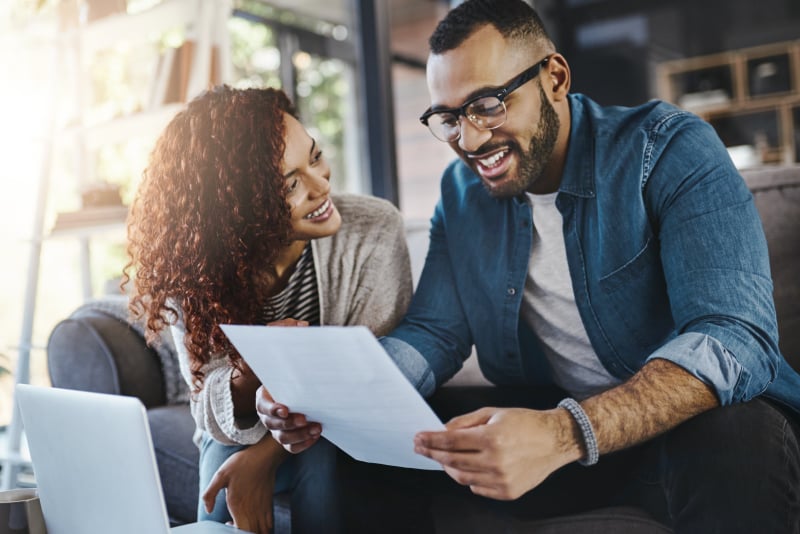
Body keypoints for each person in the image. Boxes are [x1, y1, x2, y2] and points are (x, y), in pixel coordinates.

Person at [257, 1, 800, 532]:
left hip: (678, 431)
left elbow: (734, 337)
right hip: (553, 424)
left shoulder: (667, 150)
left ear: (556, 77)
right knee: (348, 446)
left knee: (736, 431)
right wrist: (335, 397)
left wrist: (565, 432)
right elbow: (435, 332)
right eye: (447, 117)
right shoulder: (462, 191)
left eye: (488, 104)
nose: (467, 140)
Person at [123, 85, 412, 534]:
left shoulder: (373, 229)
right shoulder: (194, 270)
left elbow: (372, 378)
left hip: (342, 429)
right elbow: (207, 411)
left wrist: (261, 460)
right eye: (291, 184)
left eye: (314, 158)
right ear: (238, 210)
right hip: (243, 431)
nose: (322, 187)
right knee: (223, 455)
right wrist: (249, 372)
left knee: (314, 449)